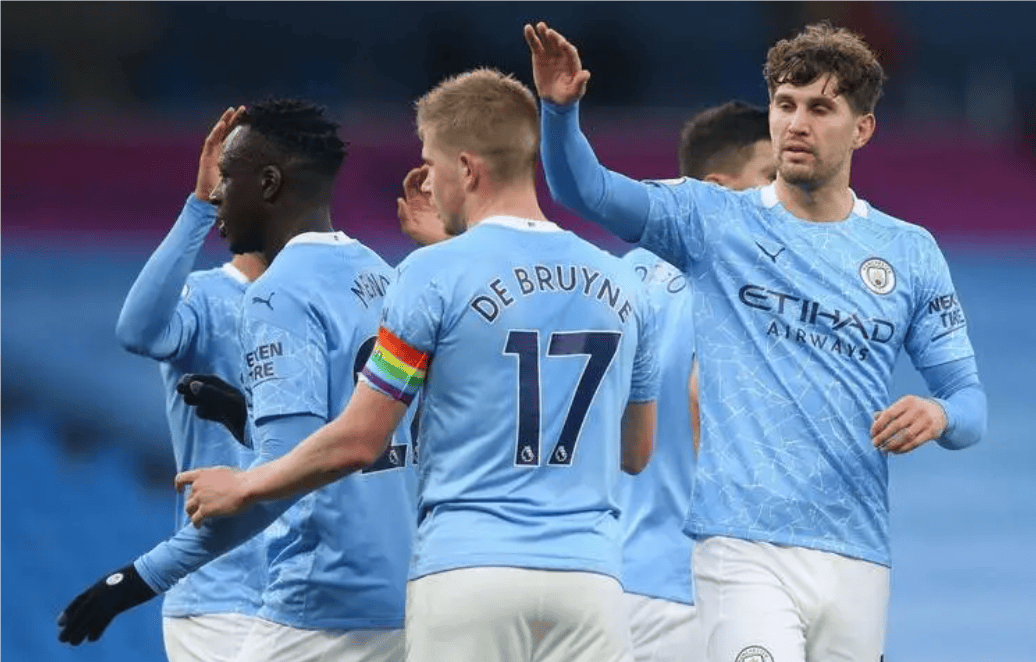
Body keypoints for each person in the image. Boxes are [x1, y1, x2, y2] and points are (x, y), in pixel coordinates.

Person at [526, 20, 986, 662]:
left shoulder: (908, 251)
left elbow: (969, 403)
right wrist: (559, 112)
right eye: (785, 104)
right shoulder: (713, 220)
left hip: (857, 549)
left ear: (862, 129)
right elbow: (586, 190)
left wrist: (938, 414)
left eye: (819, 108)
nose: (796, 123)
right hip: (740, 546)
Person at [176, 68, 660, 662]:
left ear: (467, 169)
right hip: (591, 580)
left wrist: (245, 484)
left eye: (430, 163)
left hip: (468, 574)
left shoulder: (429, 276)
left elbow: (361, 440)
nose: (425, 181)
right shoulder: (623, 282)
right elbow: (635, 451)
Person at [58, 98, 416, 662]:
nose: (216, 193)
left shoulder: (278, 294)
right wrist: (247, 420)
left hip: (315, 592)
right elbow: (346, 435)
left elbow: (284, 475)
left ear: (268, 183)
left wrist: (139, 577)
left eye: (227, 178)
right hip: (387, 596)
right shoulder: (384, 277)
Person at [108, 106, 267, 662]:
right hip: (221, 595)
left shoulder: (327, 297)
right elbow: (137, 331)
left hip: (316, 589)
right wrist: (199, 205)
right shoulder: (205, 297)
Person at [619, 100, 774, 662]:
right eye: (772, 178)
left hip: (610, 581)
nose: (786, 198)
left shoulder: (621, 277)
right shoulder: (746, 289)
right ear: (716, 190)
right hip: (702, 588)